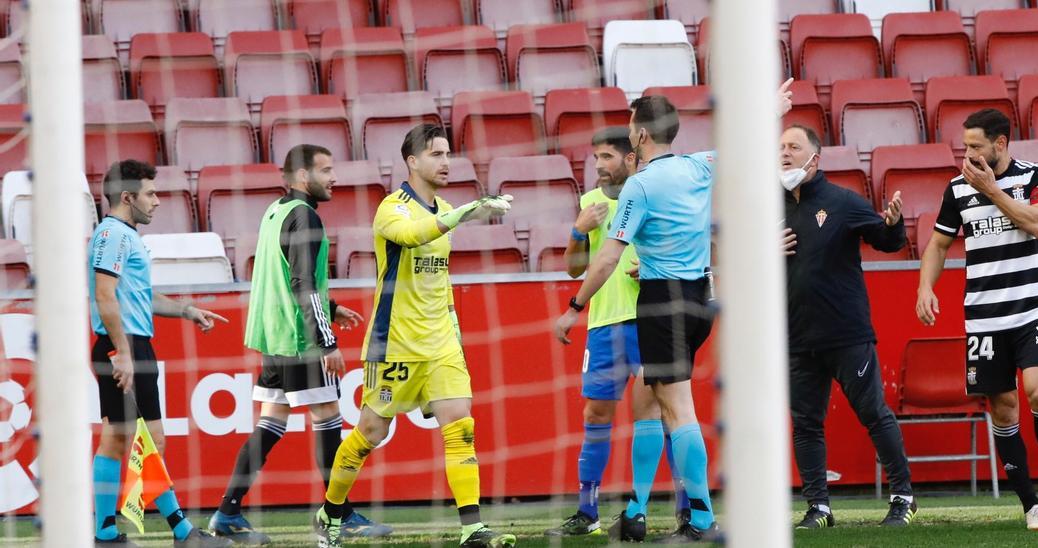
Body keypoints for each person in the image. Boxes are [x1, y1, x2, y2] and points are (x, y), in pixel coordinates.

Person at [312, 124, 517, 548]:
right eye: (437, 155)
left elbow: (440, 283)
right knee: (370, 432)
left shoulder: (443, 207)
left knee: (461, 428)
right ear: (412, 161)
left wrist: (454, 334)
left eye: (448, 154)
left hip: (441, 343)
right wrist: (465, 213)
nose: (446, 163)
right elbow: (411, 236)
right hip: (395, 344)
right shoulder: (392, 208)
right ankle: (330, 513)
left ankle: (472, 528)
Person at [208, 144, 390, 543]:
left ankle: (227, 512)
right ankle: (338, 514)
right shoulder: (305, 217)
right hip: (300, 339)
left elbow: (288, 276)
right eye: (326, 170)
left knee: (270, 424)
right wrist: (326, 342)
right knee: (328, 418)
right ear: (303, 176)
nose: (334, 178)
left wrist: (333, 305)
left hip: (274, 337)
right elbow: (301, 283)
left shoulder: (275, 211)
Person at [915, 109, 1038, 530]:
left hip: (1032, 306)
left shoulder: (1034, 175)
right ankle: (1029, 504)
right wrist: (925, 287)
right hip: (984, 317)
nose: (966, 153)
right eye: (965, 145)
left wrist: (992, 190)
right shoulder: (956, 188)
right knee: (1003, 410)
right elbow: (937, 245)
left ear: (1000, 144)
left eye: (975, 146)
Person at [544, 127, 690, 538]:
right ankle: (587, 512)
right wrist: (577, 228)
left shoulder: (652, 194)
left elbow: (683, 246)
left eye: (607, 157)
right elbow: (575, 268)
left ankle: (685, 510)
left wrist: (655, 267)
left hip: (650, 321)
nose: (599, 166)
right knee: (596, 414)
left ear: (630, 159)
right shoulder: (590, 204)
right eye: (595, 159)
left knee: (666, 414)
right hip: (604, 325)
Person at [778, 125, 917, 528]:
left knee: (873, 412)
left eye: (793, 147)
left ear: (814, 158)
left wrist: (892, 224)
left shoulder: (842, 202)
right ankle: (818, 507)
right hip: (795, 336)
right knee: (805, 422)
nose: (784, 153)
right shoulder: (768, 206)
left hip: (846, 333)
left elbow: (887, 241)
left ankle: (902, 496)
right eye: (781, 147)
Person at [89, 160, 232, 547]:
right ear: (127, 197)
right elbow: (104, 296)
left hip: (129, 343)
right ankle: (183, 532)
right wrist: (122, 351)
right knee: (151, 439)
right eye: (150, 194)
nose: (156, 201)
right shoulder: (113, 236)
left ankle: (105, 533)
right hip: (124, 345)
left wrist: (187, 310)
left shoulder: (124, 235)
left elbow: (140, 297)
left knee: (118, 440)